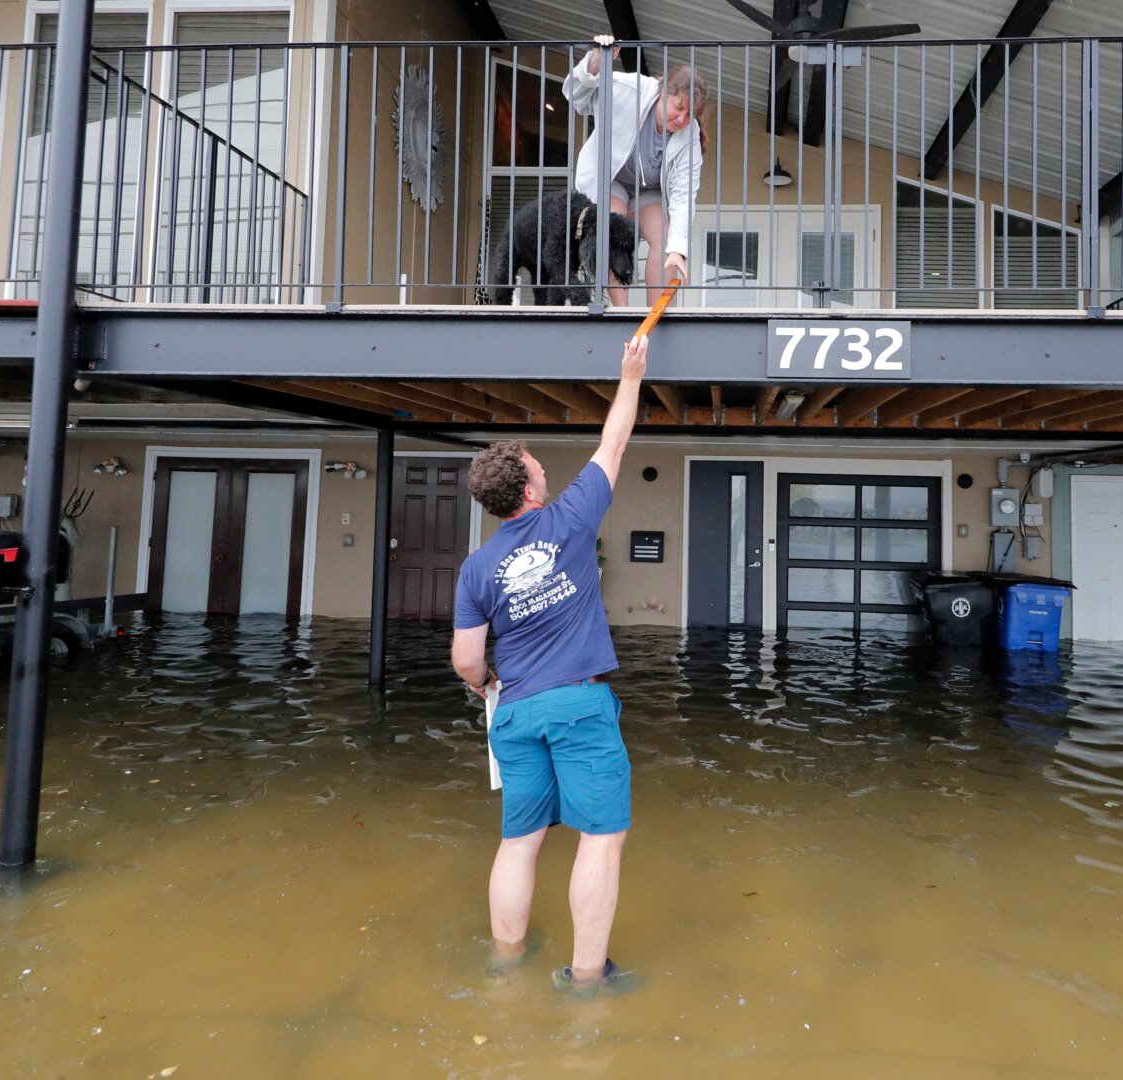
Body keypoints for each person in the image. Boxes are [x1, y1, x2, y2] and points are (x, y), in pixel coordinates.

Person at [451, 334, 649, 992]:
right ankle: (587, 977)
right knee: (601, 837)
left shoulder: (478, 568)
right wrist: (630, 374)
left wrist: (487, 687)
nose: (544, 470)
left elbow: (466, 661)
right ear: (531, 491)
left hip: (514, 712)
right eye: (538, 467)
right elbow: (613, 442)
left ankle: (506, 963)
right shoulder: (569, 519)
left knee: (521, 839)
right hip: (578, 705)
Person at [563, 33, 708, 307]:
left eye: (690, 115)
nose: (682, 119)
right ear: (664, 92)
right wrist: (596, 60)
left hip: (650, 190)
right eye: (678, 108)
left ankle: (656, 317)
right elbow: (576, 96)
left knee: (665, 241)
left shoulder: (690, 134)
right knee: (613, 229)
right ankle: (621, 312)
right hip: (613, 179)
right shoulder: (629, 90)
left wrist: (678, 249)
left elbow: (683, 195)